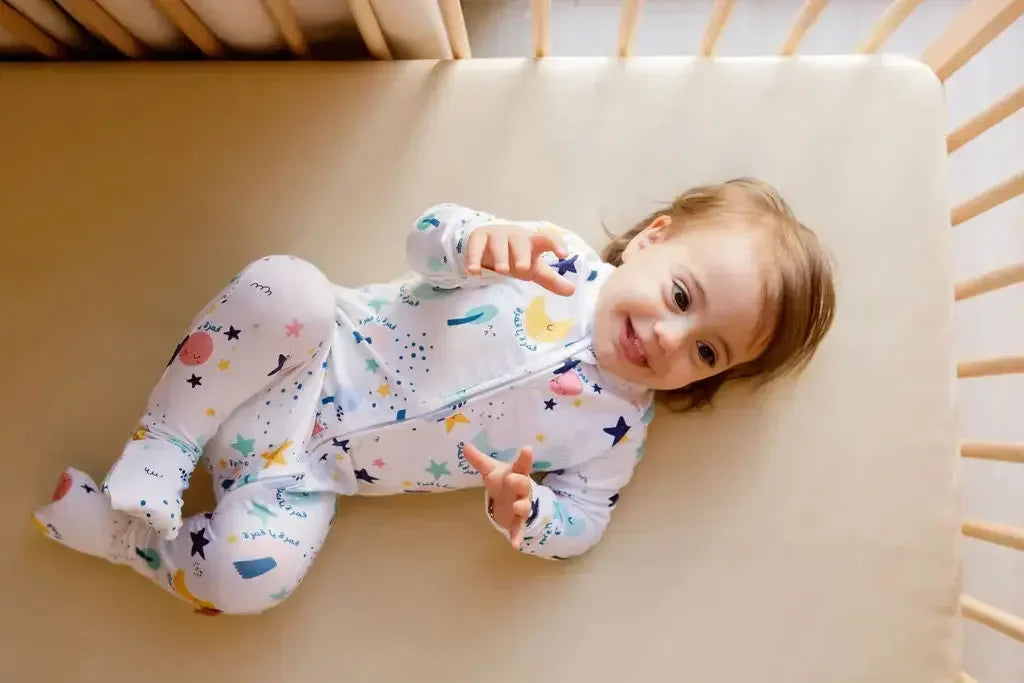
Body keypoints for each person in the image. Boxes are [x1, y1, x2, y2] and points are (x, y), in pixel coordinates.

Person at [33, 178, 835, 615]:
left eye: (706, 350)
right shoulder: (548, 258)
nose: (668, 336)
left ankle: (133, 542)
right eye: (683, 296)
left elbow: (585, 523)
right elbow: (424, 240)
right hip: (304, 356)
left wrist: (531, 512)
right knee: (286, 284)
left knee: (257, 579)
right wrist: (471, 240)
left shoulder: (616, 433)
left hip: (303, 474)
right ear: (654, 239)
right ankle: (164, 448)